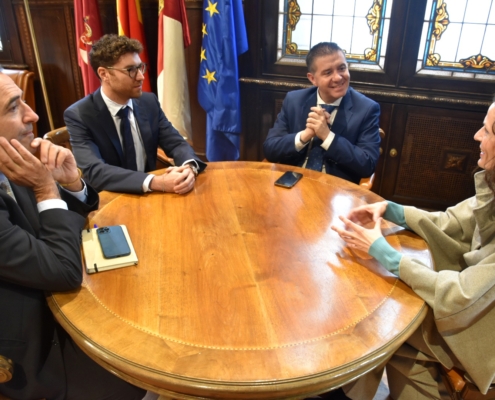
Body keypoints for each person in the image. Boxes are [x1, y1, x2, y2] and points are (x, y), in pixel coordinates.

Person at [330, 102, 495, 399]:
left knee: (379, 325)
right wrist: (390, 209)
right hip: (475, 309)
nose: (476, 135)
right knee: (389, 328)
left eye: (487, 129)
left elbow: (463, 296)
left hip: (484, 330)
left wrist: (382, 251)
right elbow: (453, 223)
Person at [0, 70, 145, 399]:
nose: (32, 115)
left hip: (60, 305)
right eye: (12, 107)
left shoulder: (12, 160)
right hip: (36, 349)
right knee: (143, 375)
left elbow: (65, 225)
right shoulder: (24, 170)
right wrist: (44, 187)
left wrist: (70, 184)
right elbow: (63, 270)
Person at [64, 34, 206, 194]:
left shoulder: (149, 102)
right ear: (104, 74)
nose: (141, 76)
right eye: (131, 70)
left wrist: (189, 167)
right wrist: (156, 182)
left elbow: (176, 143)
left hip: (151, 195)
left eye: (140, 67)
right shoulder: (80, 115)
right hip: (109, 198)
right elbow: (95, 171)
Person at [263, 42, 381, 184]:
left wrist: (327, 136)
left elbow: (367, 164)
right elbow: (270, 149)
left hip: (336, 189)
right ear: (313, 79)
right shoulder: (295, 100)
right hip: (292, 182)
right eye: (328, 72)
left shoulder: (367, 109)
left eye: (342, 68)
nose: (338, 77)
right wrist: (305, 135)